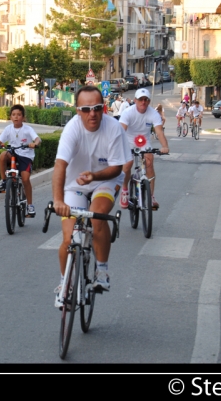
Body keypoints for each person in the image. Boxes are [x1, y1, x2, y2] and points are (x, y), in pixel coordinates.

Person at [52, 85, 130, 306]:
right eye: (86, 109)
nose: (92, 114)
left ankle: (102, 271)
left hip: (104, 180)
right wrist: (58, 201)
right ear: (78, 111)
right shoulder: (72, 129)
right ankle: (64, 282)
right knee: (68, 239)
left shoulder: (114, 128)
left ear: (103, 107)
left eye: (96, 108)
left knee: (97, 215)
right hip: (75, 184)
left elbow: (117, 168)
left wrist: (94, 176)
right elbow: (60, 166)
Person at [118, 88, 170, 210]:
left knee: (149, 163)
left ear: (149, 101)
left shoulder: (153, 113)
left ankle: (151, 196)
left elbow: (159, 132)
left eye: (146, 100)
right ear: (135, 100)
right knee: (127, 165)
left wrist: (165, 146)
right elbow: (120, 131)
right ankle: (125, 190)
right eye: (140, 99)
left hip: (144, 141)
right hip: (128, 141)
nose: (143, 102)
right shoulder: (128, 112)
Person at [0, 104, 41, 217]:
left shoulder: (28, 129)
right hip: (13, 153)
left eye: (19, 115)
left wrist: (35, 144)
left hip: (26, 156)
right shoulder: (8, 129)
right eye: (13, 115)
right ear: (10, 117)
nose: (16, 117)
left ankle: (30, 206)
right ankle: (3, 181)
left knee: (25, 179)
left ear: (23, 117)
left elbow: (37, 139)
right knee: (3, 155)